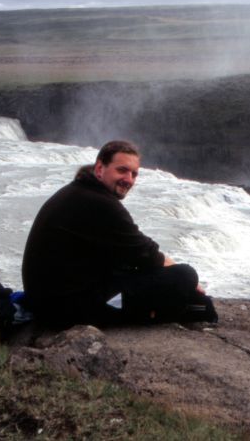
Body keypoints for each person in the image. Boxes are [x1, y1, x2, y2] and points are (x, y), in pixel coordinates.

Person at [21, 140, 216, 328]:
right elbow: (147, 254)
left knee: (142, 271)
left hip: (52, 299)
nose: (129, 179)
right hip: (64, 310)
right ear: (99, 169)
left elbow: (132, 253)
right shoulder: (99, 203)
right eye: (122, 170)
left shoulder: (80, 191)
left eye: (134, 174)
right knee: (184, 274)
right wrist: (190, 282)